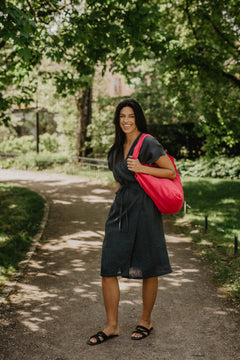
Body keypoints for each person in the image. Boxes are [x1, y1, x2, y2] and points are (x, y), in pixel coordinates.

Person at [87, 99, 176, 345]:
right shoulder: (116, 148)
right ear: (117, 120)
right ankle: (112, 325)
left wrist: (142, 168)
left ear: (138, 118)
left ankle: (145, 321)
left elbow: (170, 171)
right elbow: (121, 178)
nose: (126, 120)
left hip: (146, 209)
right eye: (122, 116)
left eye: (131, 116)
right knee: (108, 266)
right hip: (121, 211)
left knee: (148, 265)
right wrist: (116, 197)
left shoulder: (147, 142)